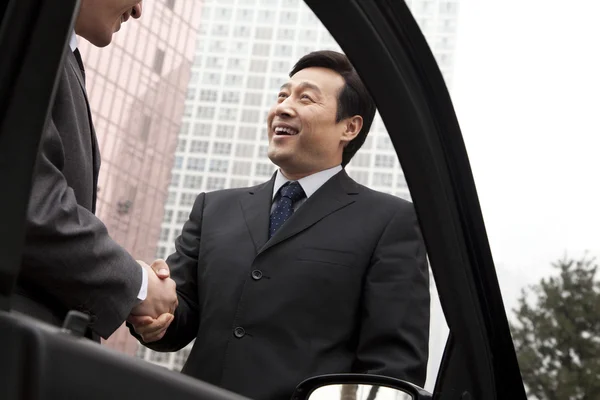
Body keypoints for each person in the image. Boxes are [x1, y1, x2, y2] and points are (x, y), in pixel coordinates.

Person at [131, 51, 430, 399]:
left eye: (305, 98)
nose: (284, 107)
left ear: (349, 127)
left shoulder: (391, 222)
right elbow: (177, 319)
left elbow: (390, 369)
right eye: (282, 95)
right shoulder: (213, 208)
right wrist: (152, 308)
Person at [13, 0, 178, 342]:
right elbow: (28, 200)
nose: (138, 10)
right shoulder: (28, 38)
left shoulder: (59, 52)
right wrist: (137, 284)